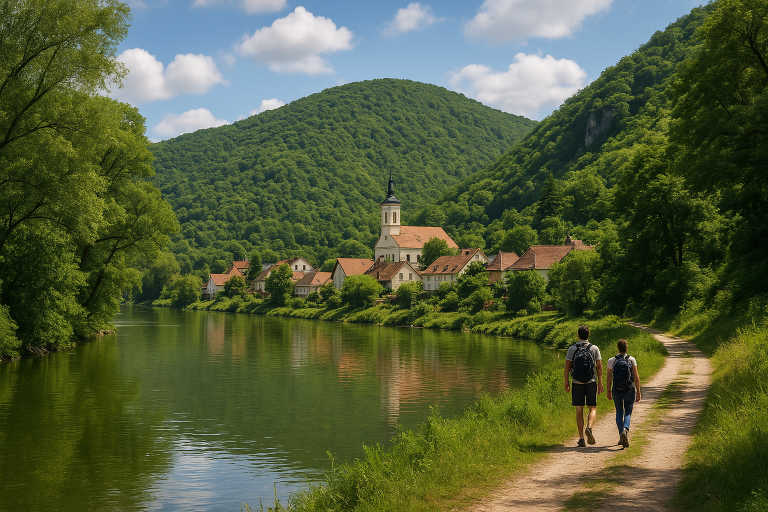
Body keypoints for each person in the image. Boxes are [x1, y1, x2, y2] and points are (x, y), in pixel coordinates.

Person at [564, 325, 603, 447]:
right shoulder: (594, 348)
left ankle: (581, 438)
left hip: (577, 382)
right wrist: (600, 382)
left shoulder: (572, 349)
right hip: (591, 381)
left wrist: (566, 381)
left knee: (579, 411)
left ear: (578, 335)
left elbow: (567, 366)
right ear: (589, 335)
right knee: (592, 408)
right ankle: (589, 428)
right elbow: (599, 367)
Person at [606, 338, 642, 448]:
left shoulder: (611, 360)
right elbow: (636, 377)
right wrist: (638, 391)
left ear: (617, 347)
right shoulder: (632, 359)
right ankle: (625, 430)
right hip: (629, 389)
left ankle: (621, 433)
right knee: (628, 412)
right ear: (627, 348)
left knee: (619, 411)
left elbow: (608, 377)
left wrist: (608, 390)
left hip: (616, 389)